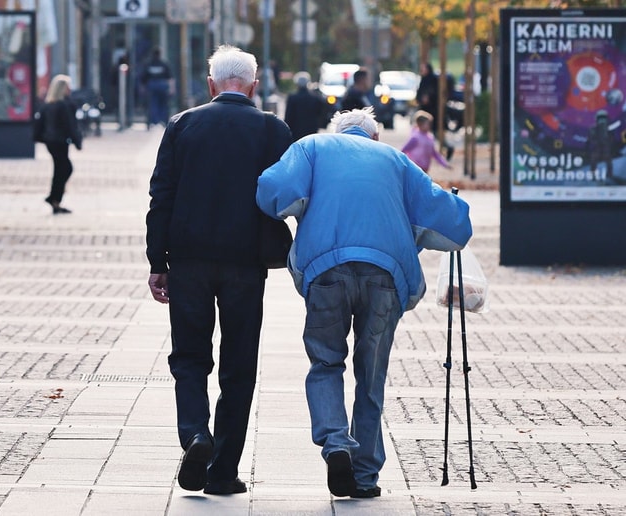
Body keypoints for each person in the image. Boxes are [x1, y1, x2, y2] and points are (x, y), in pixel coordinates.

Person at [256, 107, 472, 499]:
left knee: (325, 361)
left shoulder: (312, 148)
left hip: (327, 270)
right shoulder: (395, 159)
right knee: (371, 376)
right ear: (373, 137)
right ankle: (365, 476)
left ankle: (336, 442)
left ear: (336, 132)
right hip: (385, 276)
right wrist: (459, 208)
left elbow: (272, 191)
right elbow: (451, 220)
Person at [145, 45, 292, 495]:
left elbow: (161, 196)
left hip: (188, 261)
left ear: (211, 86)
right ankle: (223, 471)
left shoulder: (183, 125)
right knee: (239, 364)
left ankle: (195, 434)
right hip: (246, 265)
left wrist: (157, 261)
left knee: (189, 358)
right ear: (254, 84)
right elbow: (288, 196)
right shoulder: (272, 130)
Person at [37, 74, 82, 214]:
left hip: (51, 141)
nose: (70, 89)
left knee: (60, 169)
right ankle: (54, 197)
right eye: (68, 87)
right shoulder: (64, 105)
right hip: (60, 141)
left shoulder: (48, 104)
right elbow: (70, 125)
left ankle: (55, 199)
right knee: (65, 168)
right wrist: (77, 141)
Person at [416, 62, 454, 160]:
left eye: (423, 68)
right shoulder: (424, 80)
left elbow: (440, 94)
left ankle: (447, 147)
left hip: (435, 111)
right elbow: (419, 94)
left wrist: (429, 98)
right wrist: (421, 99)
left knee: (437, 133)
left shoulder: (434, 80)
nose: (422, 70)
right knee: (421, 134)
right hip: (425, 112)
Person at [284, 71, 328, 141]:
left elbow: (288, 115)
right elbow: (322, 112)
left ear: (297, 84)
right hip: (311, 130)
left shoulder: (292, 98)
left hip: (296, 131)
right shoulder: (315, 98)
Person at [141, 47, 174, 128]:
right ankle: (164, 121)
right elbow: (170, 77)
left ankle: (153, 121)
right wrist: (172, 88)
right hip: (162, 85)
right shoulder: (164, 64)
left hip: (152, 85)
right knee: (163, 104)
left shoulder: (148, 64)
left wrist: (143, 88)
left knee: (152, 104)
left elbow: (143, 78)